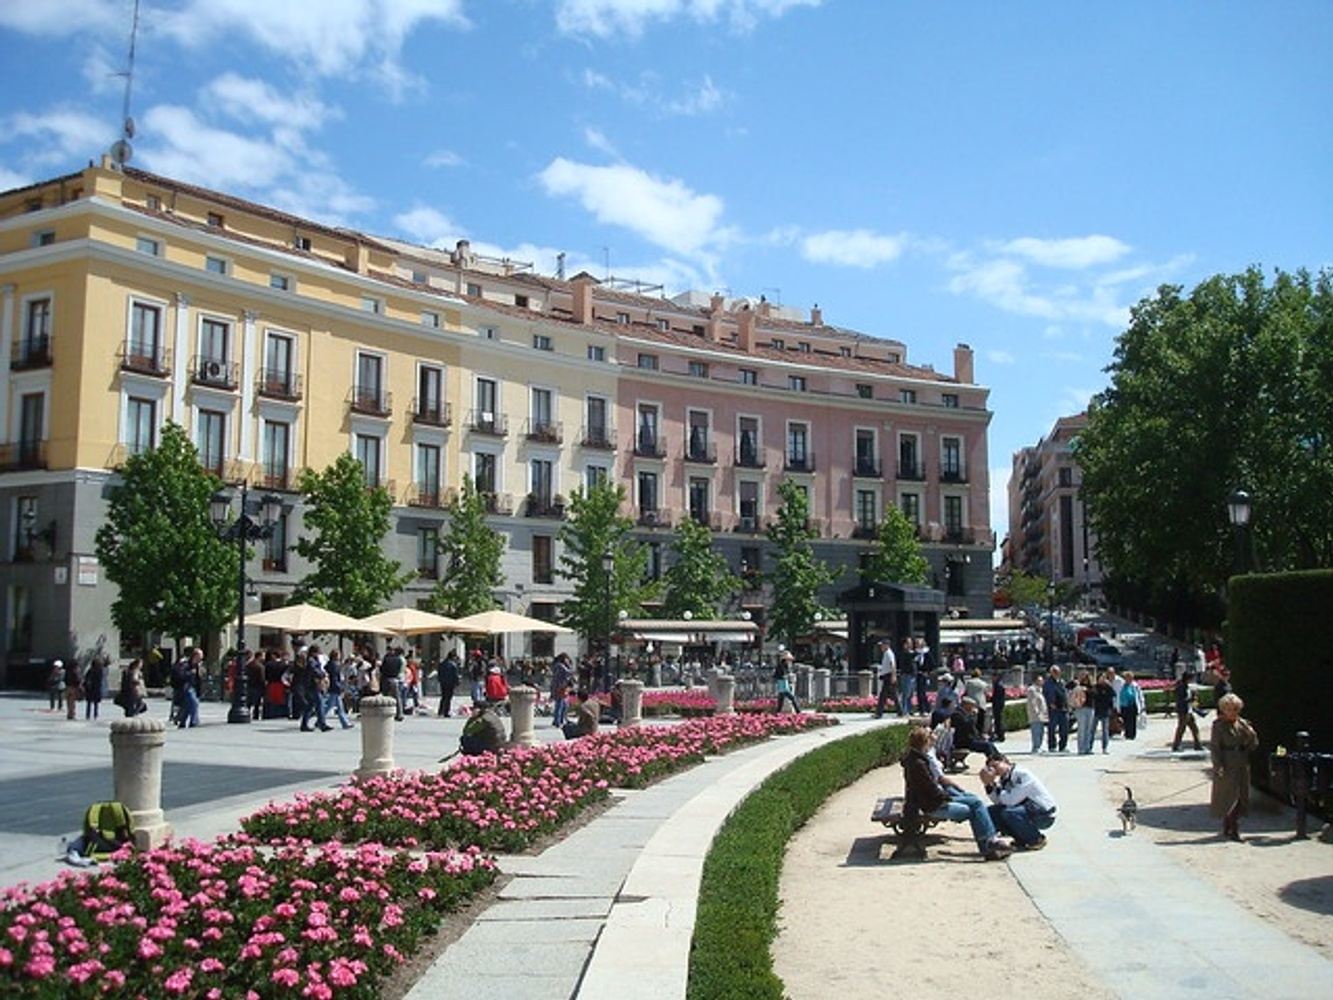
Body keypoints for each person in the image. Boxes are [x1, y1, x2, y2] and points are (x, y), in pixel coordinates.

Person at [901, 726, 1012, 861]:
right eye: (929, 739)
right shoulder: (918, 763)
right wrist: (949, 797)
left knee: (975, 802)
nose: (931, 741)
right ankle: (989, 843)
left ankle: (988, 843)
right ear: (924, 742)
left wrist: (950, 796)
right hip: (932, 805)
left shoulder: (916, 759)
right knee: (973, 808)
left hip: (930, 801)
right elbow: (931, 790)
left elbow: (930, 788)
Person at [981, 756, 1058, 851]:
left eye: (996, 766)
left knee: (1009, 813)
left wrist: (997, 789)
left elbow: (1011, 800)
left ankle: (1036, 840)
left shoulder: (1021, 774)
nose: (995, 770)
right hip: (1026, 809)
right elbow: (998, 801)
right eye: (991, 768)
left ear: (1005, 761)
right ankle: (1021, 839)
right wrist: (989, 784)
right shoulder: (1004, 778)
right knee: (991, 812)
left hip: (1044, 814)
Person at [1211, 693, 1259, 840]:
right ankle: (1233, 829)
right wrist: (1218, 765)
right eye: (1229, 709)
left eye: (1235, 709)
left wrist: (1251, 734)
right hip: (1227, 763)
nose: (1232, 712)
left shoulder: (1243, 724)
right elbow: (1215, 747)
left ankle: (1230, 826)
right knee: (1228, 796)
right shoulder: (1218, 726)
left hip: (1241, 762)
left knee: (1241, 795)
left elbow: (1253, 745)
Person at [1171, 671, 1204, 752]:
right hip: (1183, 711)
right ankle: (1176, 745)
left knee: (1194, 728)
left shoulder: (1186, 686)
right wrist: (1191, 698)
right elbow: (1181, 700)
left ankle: (1198, 744)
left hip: (1189, 710)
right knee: (1181, 728)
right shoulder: (1181, 687)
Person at [1042, 665, 1069, 752]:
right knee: (1052, 728)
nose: (1057, 674)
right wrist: (1050, 703)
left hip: (1063, 708)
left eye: (1058, 672)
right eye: (1055, 672)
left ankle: (1063, 746)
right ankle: (1052, 746)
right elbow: (1045, 694)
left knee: (1064, 729)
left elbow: (1065, 694)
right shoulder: (1047, 683)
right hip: (1053, 709)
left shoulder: (1062, 682)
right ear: (1051, 673)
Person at [1091, 671, 1116, 754]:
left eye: (1104, 678)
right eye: (1101, 678)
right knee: (1092, 730)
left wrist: (1109, 686)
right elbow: (1093, 695)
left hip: (1105, 711)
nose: (1103, 679)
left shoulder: (1108, 687)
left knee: (1105, 730)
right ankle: (1089, 746)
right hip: (1096, 711)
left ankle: (1104, 747)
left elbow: (1113, 695)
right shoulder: (1095, 687)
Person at [379, 645, 406, 721]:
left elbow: (382, 669)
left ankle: (385, 712)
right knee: (397, 697)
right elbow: (399, 669)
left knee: (385, 697)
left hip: (386, 679)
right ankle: (399, 714)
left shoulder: (386, 659)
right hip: (395, 679)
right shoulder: (398, 659)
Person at [1072, 670, 1095, 754]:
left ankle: (1087, 747)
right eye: (1083, 677)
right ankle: (1081, 748)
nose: (1085, 678)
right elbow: (1069, 687)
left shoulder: (1092, 687)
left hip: (1090, 708)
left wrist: (1087, 690)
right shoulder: (1078, 686)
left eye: (1086, 677)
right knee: (1081, 729)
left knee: (1089, 729)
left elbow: (1095, 694)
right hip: (1081, 708)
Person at [873, 637, 897, 719]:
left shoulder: (889, 653)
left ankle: (878, 713)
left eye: (882, 645)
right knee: (892, 695)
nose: (881, 647)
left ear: (887, 645)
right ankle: (900, 711)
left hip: (888, 676)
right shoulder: (886, 653)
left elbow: (892, 665)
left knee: (883, 695)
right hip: (886, 676)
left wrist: (893, 676)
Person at [1118, 671, 1145, 740]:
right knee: (1125, 720)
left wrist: (1142, 705)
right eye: (1126, 677)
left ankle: (1132, 735)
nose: (1127, 679)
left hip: (1132, 705)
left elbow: (1140, 695)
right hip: (1124, 705)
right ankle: (1127, 734)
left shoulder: (1135, 686)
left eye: (1129, 677)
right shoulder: (1122, 685)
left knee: (1132, 720)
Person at [438, 650, 462, 718]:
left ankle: (440, 711)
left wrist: (440, 680)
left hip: (443, 682)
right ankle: (446, 711)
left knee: (443, 697)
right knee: (448, 698)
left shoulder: (442, 663)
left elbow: (439, 673)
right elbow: (455, 675)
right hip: (450, 683)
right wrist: (457, 682)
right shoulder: (453, 665)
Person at [1025, 681, 1047, 754]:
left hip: (1041, 715)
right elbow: (1033, 703)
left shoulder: (1039, 689)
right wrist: (1037, 712)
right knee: (1036, 731)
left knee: (1041, 732)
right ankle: (1035, 747)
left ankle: (1039, 746)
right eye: (1040, 680)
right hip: (1035, 715)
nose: (1042, 682)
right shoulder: (1032, 690)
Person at [84, 655, 105, 720]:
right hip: (96, 688)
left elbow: (86, 678)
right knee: (95, 703)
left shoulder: (90, 670)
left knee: (89, 703)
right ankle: (95, 714)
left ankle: (88, 715)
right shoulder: (100, 670)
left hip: (90, 688)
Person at [990, 671, 1007, 742]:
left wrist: (992, 699)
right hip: (999, 705)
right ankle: (999, 735)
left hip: (998, 705)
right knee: (998, 721)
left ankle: (1000, 735)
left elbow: (997, 697)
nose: (992, 678)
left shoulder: (998, 685)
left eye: (993, 677)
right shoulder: (998, 684)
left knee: (998, 721)